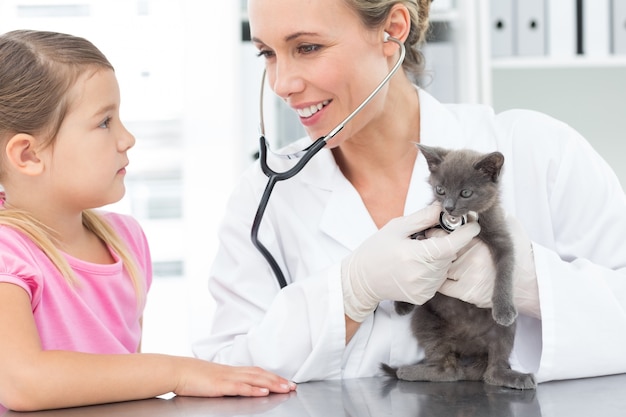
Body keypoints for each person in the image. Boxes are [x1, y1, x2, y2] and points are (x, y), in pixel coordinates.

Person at [192, 0, 626, 384]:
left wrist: (526, 282)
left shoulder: (541, 151)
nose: (282, 83)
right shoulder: (263, 198)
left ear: (393, 29)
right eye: (267, 53)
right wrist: (346, 292)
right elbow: (224, 371)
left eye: (307, 47)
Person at [0, 29, 296, 412]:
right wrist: (177, 373)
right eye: (104, 122)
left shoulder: (125, 241)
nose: (127, 138)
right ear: (27, 155)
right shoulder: (8, 251)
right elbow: (23, 383)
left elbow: (116, 385)